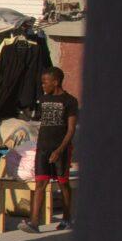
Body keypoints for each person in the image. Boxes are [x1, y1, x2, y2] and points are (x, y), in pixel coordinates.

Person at [29, 67, 78, 231]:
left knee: (63, 184)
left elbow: (70, 130)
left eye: (45, 82)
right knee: (40, 184)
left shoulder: (70, 101)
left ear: (55, 82)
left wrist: (59, 150)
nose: (42, 85)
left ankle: (66, 218)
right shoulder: (43, 99)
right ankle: (34, 222)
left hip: (61, 150)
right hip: (43, 148)